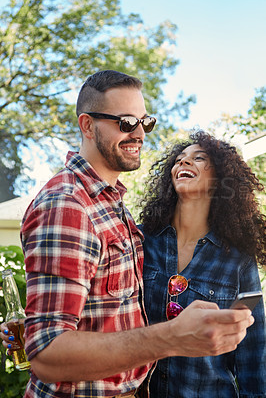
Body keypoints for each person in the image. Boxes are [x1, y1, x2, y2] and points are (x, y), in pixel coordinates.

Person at [0, 71, 254, 398]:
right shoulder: (68, 206)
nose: (138, 134)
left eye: (144, 123)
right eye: (125, 122)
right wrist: (171, 337)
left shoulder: (113, 203)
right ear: (88, 125)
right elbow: (47, 354)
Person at [138, 131, 266, 398]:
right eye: (179, 159)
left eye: (198, 158)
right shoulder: (141, 241)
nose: (184, 163)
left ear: (219, 180)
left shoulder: (239, 258)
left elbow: (253, 352)